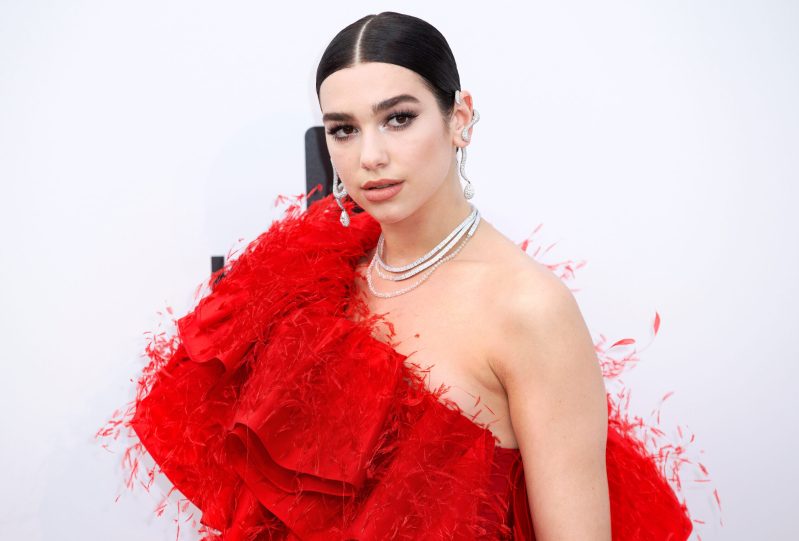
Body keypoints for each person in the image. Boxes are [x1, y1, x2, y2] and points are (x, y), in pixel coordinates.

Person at [102, 11, 699, 541]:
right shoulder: (315, 282)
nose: (370, 157)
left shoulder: (528, 308)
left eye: (398, 119)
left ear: (459, 118)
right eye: (344, 129)